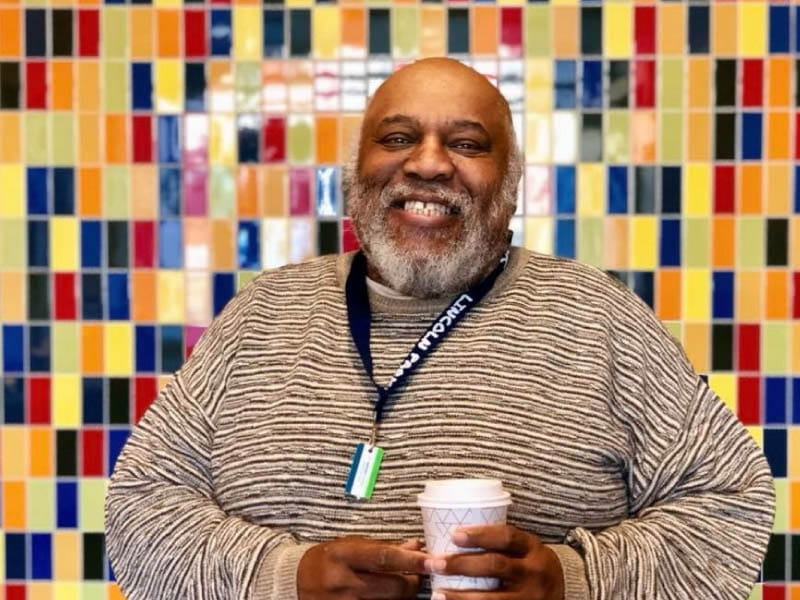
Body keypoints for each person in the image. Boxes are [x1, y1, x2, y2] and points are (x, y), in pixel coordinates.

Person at [105, 58, 775, 600]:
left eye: (466, 143)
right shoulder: (261, 315)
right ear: (353, 175)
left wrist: (573, 582)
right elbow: (138, 511)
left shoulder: (597, 316)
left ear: (509, 187)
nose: (427, 163)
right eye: (397, 138)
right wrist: (289, 577)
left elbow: (730, 504)